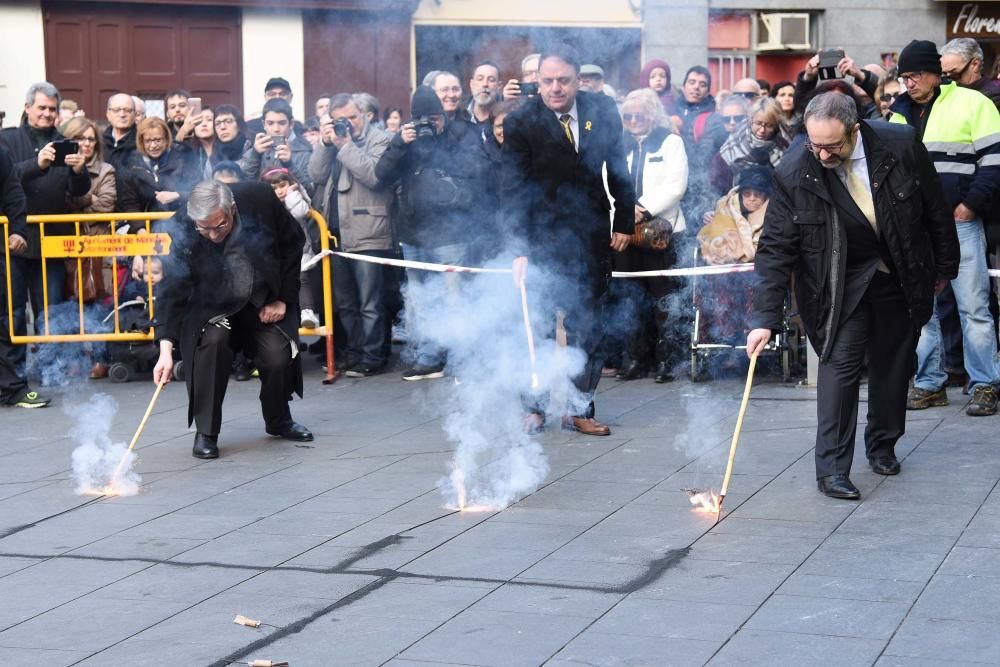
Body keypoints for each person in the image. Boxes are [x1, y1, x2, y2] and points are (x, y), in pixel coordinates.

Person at [748, 92, 959, 500]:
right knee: (839, 369)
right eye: (815, 144)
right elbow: (775, 248)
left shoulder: (900, 144)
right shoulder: (795, 170)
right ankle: (831, 470)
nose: (823, 154)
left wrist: (944, 267)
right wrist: (764, 318)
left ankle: (882, 445)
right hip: (838, 285)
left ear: (855, 129)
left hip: (898, 272)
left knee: (893, 366)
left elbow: (935, 207)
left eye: (833, 146)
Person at [502, 44, 636, 436]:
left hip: (591, 233)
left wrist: (624, 220)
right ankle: (535, 406)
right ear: (536, 82)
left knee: (589, 326)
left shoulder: (602, 110)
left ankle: (580, 407)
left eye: (563, 80)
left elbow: (619, 168)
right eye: (547, 81)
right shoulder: (521, 122)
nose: (555, 88)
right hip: (541, 237)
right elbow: (511, 190)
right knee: (539, 324)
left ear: (578, 80)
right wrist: (518, 250)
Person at [152, 180, 313, 459]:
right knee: (212, 342)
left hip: (260, 302)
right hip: (214, 310)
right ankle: (206, 431)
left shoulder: (258, 198)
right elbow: (171, 289)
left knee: (277, 353)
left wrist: (283, 299)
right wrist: (165, 350)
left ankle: (279, 419)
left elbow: (292, 243)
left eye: (220, 226)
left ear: (233, 209)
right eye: (205, 228)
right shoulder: (184, 227)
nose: (213, 235)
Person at [889, 40, 1000, 416]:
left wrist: (969, 207)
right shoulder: (898, 114)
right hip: (918, 228)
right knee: (923, 309)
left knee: (973, 307)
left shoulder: (975, 104)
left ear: (936, 73)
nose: (908, 83)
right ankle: (929, 382)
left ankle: (985, 384)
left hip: (960, 223)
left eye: (914, 75)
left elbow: (995, 163)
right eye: (903, 76)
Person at [375, 86, 485, 381]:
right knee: (422, 299)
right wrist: (400, 143)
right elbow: (380, 176)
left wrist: (442, 140)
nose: (428, 125)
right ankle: (429, 357)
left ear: (443, 116)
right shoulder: (405, 140)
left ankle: (461, 359)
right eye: (422, 119)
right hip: (413, 233)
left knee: (455, 298)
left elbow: (476, 171)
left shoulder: (461, 133)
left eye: (433, 118)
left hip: (451, 234)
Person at [309, 93, 394, 376]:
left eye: (353, 117)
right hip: (333, 234)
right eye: (340, 120)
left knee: (370, 301)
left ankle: (373, 356)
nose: (348, 124)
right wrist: (324, 143)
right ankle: (354, 352)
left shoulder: (380, 140)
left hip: (368, 230)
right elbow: (317, 175)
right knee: (345, 303)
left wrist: (345, 146)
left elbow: (373, 175)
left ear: (365, 114)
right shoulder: (333, 140)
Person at [0, 81, 90, 336]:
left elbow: (79, 190)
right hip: (12, 239)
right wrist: (36, 164)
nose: (47, 114)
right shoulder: (7, 139)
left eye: (52, 109)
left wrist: (78, 170)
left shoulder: (64, 141)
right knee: (12, 310)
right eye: (41, 108)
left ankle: (49, 369)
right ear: (27, 107)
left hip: (51, 239)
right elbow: (6, 180)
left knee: (51, 310)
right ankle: (13, 373)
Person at [611, 89, 687, 384]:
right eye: (627, 116)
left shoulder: (671, 142)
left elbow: (675, 185)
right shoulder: (619, 144)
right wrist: (620, 217)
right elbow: (609, 181)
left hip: (661, 232)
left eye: (639, 115)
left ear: (653, 115)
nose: (633, 120)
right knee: (630, 296)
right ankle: (635, 358)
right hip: (625, 232)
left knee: (663, 298)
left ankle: (666, 359)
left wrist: (642, 209)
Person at [0, 144, 49, 407]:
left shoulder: (1, 153)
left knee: (9, 317)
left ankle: (13, 388)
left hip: (2, 252)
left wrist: (18, 230)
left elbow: (13, 194)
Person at [262, 167, 318, 329]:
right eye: (274, 188)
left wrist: (293, 195)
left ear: (291, 184)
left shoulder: (296, 198)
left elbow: (301, 212)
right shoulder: (266, 204)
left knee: (302, 281)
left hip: (299, 252)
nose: (279, 191)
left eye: (282, 185)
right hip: (276, 255)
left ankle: (307, 312)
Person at [118, 117, 199, 217]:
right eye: (148, 141)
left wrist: (177, 195)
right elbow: (130, 203)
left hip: (181, 222)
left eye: (157, 140)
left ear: (166, 139)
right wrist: (140, 229)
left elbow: (197, 191)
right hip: (147, 224)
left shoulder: (182, 156)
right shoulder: (133, 163)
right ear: (141, 142)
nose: (153, 146)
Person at [712, 96, 788, 193]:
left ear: (776, 126)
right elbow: (716, 183)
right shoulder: (734, 144)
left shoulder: (783, 147)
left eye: (769, 125)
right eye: (758, 123)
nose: (762, 130)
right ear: (751, 120)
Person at [240, 98, 313, 196]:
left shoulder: (305, 151)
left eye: (281, 123)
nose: (276, 129)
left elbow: (309, 191)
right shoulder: (253, 150)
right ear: (264, 124)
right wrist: (255, 155)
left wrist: (289, 164)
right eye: (270, 123)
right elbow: (244, 185)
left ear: (291, 124)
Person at [940, 37, 1000, 110]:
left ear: (975, 64)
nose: (949, 79)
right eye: (944, 74)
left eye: (954, 73)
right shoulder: (944, 91)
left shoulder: (993, 97)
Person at [103, 93, 137, 170]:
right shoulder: (98, 141)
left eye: (127, 110)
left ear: (134, 115)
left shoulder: (142, 141)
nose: (122, 114)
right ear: (108, 114)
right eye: (116, 110)